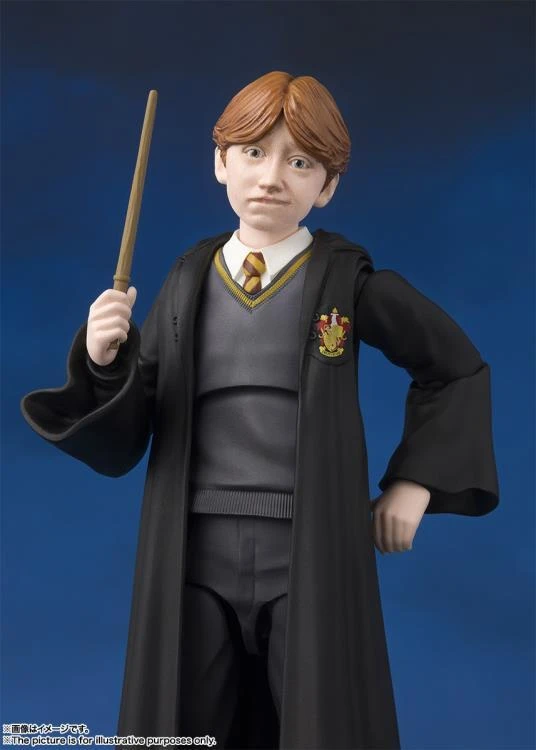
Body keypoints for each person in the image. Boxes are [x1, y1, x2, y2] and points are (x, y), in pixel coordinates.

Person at [21, 71, 500, 750]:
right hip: (195, 553)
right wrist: (104, 362)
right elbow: (137, 417)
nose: (272, 177)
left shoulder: (345, 282)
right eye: (253, 153)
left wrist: (414, 482)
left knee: (318, 719)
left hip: (306, 550)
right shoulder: (188, 280)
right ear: (221, 163)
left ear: (327, 186)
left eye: (300, 162)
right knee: (185, 719)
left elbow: (453, 368)